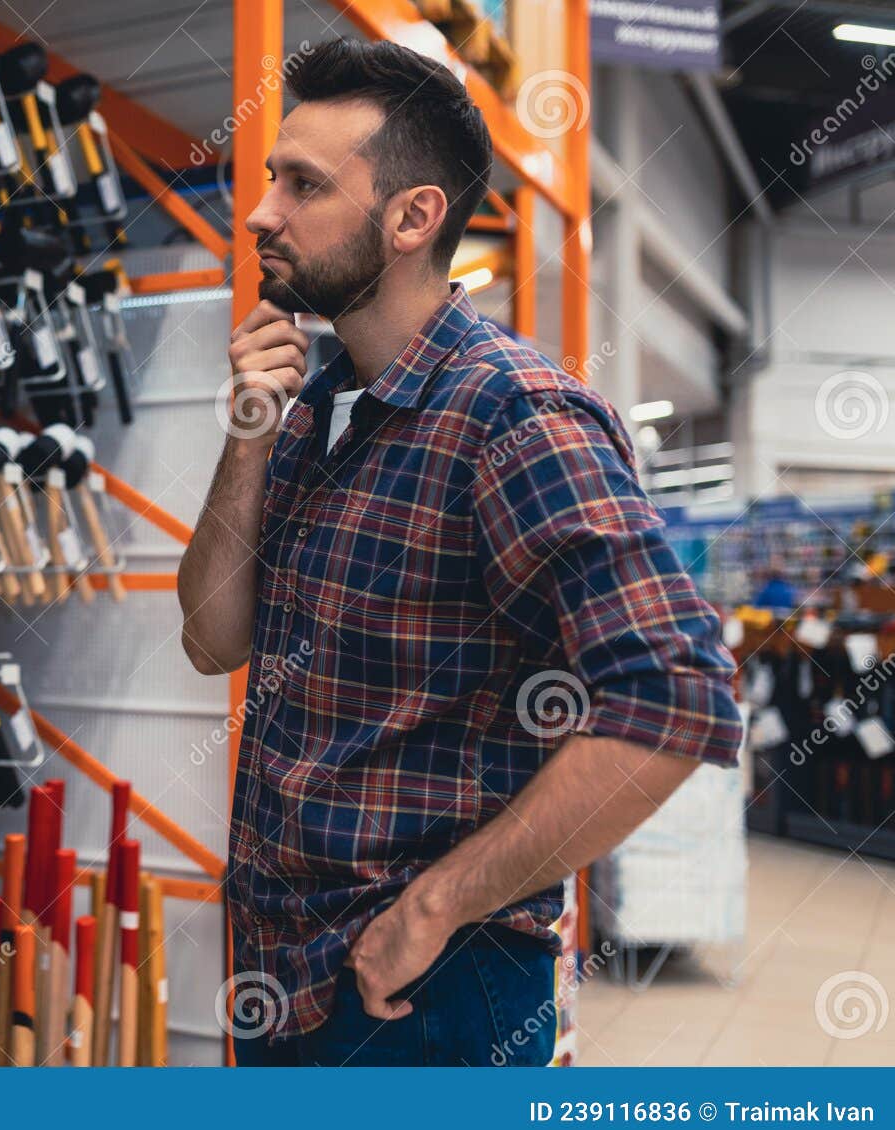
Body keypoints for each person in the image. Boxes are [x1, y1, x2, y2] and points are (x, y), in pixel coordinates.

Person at [176, 38, 742, 1066]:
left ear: (410, 218)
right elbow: (213, 638)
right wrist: (248, 429)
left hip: (423, 999)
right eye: (271, 181)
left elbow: (675, 697)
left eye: (303, 185)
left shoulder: (516, 416)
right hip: (283, 967)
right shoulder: (311, 410)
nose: (260, 215)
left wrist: (433, 906)